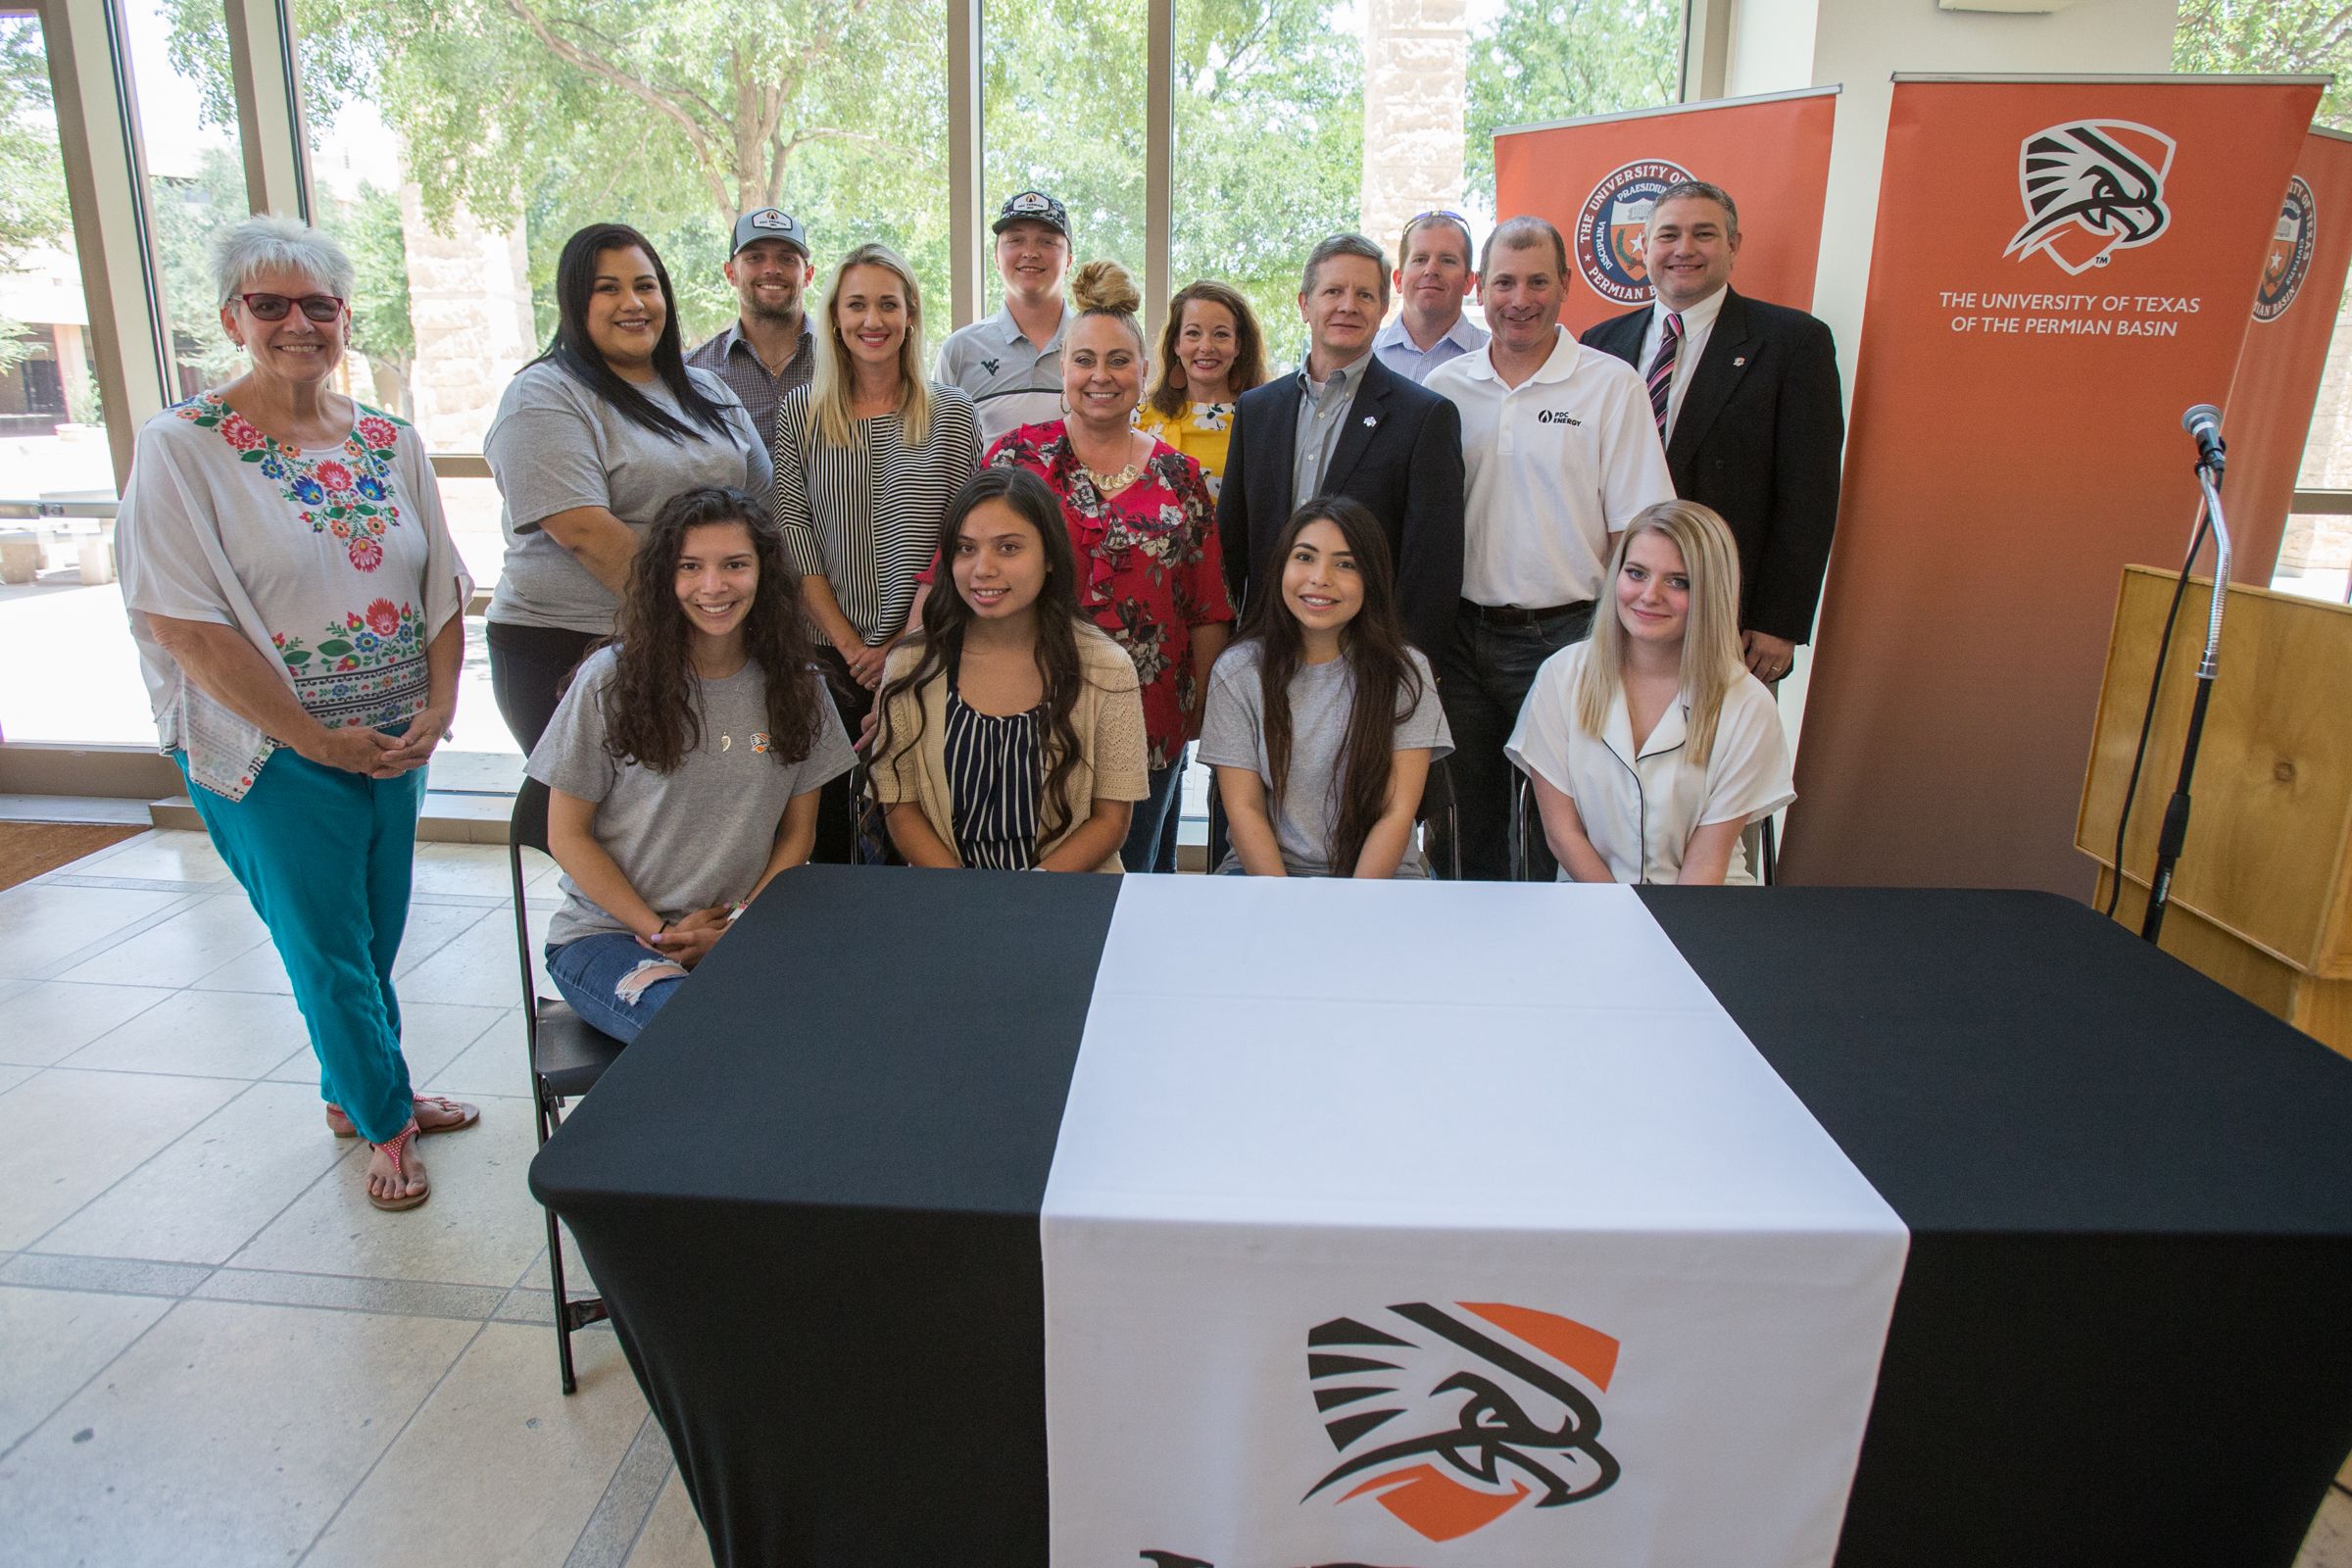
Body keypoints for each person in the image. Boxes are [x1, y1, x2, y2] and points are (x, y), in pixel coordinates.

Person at [116, 215, 477, 1213]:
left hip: (396, 740)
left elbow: (442, 587)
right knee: (325, 942)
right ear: (233, 317)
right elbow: (183, 624)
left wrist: (440, 707)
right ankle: (387, 1122)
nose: (297, 324)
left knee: (373, 932)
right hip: (269, 753)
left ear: (345, 319)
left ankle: (350, 1091)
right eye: (270, 305)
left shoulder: (386, 441)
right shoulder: (182, 449)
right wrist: (315, 735)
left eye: (318, 305)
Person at [529, 488, 854, 1040]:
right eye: (690, 567)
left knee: (833, 1024)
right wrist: (659, 933)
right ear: (664, 577)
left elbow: (798, 836)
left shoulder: (800, 685)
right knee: (707, 1034)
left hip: (741, 928)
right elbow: (566, 835)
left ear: (764, 574)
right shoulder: (611, 680)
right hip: (611, 937)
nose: (713, 586)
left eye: (734, 565)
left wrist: (739, 926)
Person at [1424, 216, 1673, 880]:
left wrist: (1618, 640)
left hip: (1567, 637)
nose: (1520, 299)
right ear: (1480, 289)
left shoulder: (1609, 383)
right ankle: (1465, 961)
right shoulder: (1446, 389)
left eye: (1538, 281)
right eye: (1504, 282)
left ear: (1565, 285)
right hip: (1462, 640)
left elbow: (1638, 528)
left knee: (1557, 824)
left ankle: (1542, 967)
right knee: (1460, 818)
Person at [983, 260, 1235, 871]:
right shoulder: (1018, 458)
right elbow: (960, 572)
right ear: (1061, 369)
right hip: (1029, 709)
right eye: (1085, 360)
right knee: (1039, 881)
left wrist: (1198, 710)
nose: (1102, 376)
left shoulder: (1179, 476)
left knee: (1136, 881)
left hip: (1151, 716)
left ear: (1146, 372)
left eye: (1120, 361)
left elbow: (1206, 605)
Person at [484, 222, 771, 752]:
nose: (632, 303)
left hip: (701, 636)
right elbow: (586, 533)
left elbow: (759, 504)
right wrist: (702, 623)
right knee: (604, 825)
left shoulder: (704, 388)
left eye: (645, 285)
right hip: (573, 647)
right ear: (574, 302)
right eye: (607, 288)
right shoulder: (543, 395)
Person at [1580, 179, 1844, 687]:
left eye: (1703, 234)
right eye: (1667, 235)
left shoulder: (1793, 343)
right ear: (1644, 247)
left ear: (1733, 246)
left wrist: (1778, 621)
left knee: (1716, 758)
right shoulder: (1600, 343)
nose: (1683, 250)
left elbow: (1808, 495)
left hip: (1726, 614)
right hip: (1614, 607)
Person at [774, 242, 981, 861]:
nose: (873, 320)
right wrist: (851, 647)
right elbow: (797, 540)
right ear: (834, 316)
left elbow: (957, 545)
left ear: (911, 314)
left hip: (926, 651)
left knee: (918, 821)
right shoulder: (801, 415)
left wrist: (898, 650)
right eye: (857, 305)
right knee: (833, 825)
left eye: (888, 304)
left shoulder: (953, 415)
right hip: (827, 657)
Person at [871, 468, 1149, 871]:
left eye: (1008, 548)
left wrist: (1022, 898)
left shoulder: (1105, 667)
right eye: (965, 549)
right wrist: (969, 898)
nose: (982, 569)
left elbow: (1110, 821)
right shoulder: (913, 662)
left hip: (1064, 895)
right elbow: (902, 806)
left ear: (1050, 556)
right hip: (947, 893)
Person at [1505, 500, 1793, 884]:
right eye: (1636, 573)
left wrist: (1665, 937)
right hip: (1591, 905)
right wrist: (1622, 924)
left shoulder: (1747, 703)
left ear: (1712, 592)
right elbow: (1564, 836)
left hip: (1703, 906)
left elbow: (1707, 861)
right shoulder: (1561, 678)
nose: (1649, 595)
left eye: (1679, 581)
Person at [1217, 232, 1464, 661]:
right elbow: (1231, 548)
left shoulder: (1424, 417)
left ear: (1383, 309)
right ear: (1304, 305)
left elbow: (1431, 570)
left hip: (1366, 657)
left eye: (1365, 294)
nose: (1348, 305)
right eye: (1333, 291)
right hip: (1266, 649)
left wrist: (1403, 670)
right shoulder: (1256, 411)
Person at [1200, 498, 1451, 878]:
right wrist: (1287, 911)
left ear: (1372, 578)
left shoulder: (1405, 671)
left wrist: (1348, 912)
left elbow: (1397, 814)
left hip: (1382, 878)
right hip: (1263, 876)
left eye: (1345, 564)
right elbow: (1245, 810)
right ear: (1280, 567)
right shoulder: (1237, 671)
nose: (1321, 577)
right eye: (1304, 557)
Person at [936, 190, 1073, 445]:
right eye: (1016, 240)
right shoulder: (960, 350)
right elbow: (941, 451)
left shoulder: (1096, 346)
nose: (1030, 252)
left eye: (1047, 242)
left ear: (1069, 261)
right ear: (997, 258)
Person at [686, 208, 822, 449]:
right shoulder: (692, 374)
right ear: (730, 274)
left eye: (787, 259)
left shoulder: (846, 360)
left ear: (808, 275)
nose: (772, 268)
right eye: (755, 258)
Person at [1135, 278, 1270, 501]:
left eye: (1221, 334)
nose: (1206, 347)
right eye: (1193, 333)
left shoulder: (1262, 422)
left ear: (1238, 346)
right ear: (1176, 343)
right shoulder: (1140, 417)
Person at [1373, 210, 1487, 383]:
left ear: (1469, 282)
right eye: (1420, 259)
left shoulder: (1493, 357)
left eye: (1447, 260)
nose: (1431, 270)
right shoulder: (1366, 354)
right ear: (1398, 280)